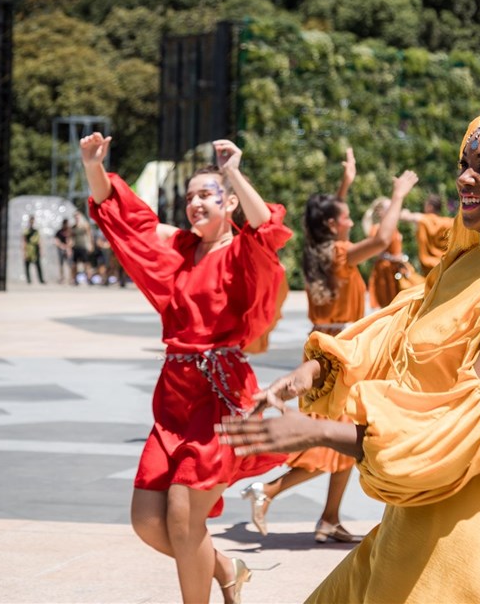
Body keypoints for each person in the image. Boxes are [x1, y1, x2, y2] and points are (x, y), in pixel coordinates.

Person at [218, 106, 480, 602]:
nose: (464, 177)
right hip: (412, 521)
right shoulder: (469, 261)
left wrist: (316, 431)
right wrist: (312, 370)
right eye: (464, 163)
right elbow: (400, 324)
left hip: (452, 539)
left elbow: (466, 428)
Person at [79, 131, 292, 604]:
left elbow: (267, 230)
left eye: (206, 195)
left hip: (220, 396)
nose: (195, 204)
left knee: (183, 514)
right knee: (147, 520)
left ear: (229, 202)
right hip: (174, 397)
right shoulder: (178, 250)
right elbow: (124, 218)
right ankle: (226, 567)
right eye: (190, 197)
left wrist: (233, 170)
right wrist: (94, 166)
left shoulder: (243, 252)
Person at [240, 148, 418, 544]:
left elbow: (337, 220)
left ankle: (329, 518)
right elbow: (383, 239)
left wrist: (345, 183)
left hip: (326, 349)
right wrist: (398, 194)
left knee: (346, 438)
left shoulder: (320, 249)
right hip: (337, 356)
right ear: (333, 225)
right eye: (346, 216)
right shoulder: (340, 255)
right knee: (333, 443)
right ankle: (267, 491)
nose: (351, 220)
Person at [363, 196, 424, 309]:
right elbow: (376, 252)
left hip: (397, 268)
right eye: (389, 208)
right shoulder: (377, 229)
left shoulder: (394, 227)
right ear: (380, 212)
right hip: (385, 272)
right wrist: (394, 258)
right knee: (389, 305)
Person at [401, 193, 453, 275]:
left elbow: (405, 216)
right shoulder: (448, 222)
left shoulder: (424, 220)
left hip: (430, 268)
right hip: (446, 265)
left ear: (430, 207)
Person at [71, 210, 94, 285]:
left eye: (78, 216)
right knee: (74, 264)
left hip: (83, 246)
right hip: (76, 247)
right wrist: (69, 247)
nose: (77, 218)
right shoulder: (73, 227)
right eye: (75, 217)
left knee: (86, 263)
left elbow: (89, 235)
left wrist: (90, 245)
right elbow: (71, 238)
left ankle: (89, 278)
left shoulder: (84, 225)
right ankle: (74, 279)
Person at [21, 215, 45, 284]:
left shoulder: (36, 231)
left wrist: (41, 250)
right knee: (27, 265)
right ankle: (28, 280)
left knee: (38, 265)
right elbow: (24, 241)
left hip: (35, 249)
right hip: (28, 249)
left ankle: (41, 279)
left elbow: (39, 241)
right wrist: (24, 252)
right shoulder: (26, 231)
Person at [53, 219, 73, 284]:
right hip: (61, 249)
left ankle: (71, 278)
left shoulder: (70, 231)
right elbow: (56, 240)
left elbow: (71, 240)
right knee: (61, 264)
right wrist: (61, 245)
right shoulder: (59, 232)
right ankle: (62, 278)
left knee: (70, 264)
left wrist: (67, 247)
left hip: (68, 250)